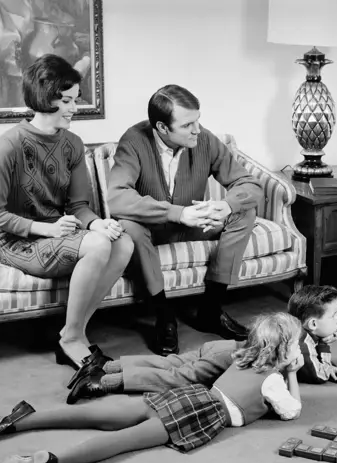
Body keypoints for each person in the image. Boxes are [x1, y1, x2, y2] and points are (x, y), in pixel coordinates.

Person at [0, 312, 304, 463]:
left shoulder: (242, 355)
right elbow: (291, 411)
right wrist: (291, 373)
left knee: (109, 416)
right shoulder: (273, 381)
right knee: (123, 440)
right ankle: (56, 461)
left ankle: (25, 418)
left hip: (186, 396)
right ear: (285, 351)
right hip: (196, 414)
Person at [0, 54, 134, 370]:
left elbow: (79, 206)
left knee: (123, 242)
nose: (74, 108)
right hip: (18, 242)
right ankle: (71, 342)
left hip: (63, 234)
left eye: (75, 100)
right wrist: (47, 229)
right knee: (97, 244)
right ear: (43, 98)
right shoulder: (9, 145)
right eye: (66, 101)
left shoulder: (73, 144)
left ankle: (72, 332)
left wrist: (97, 224)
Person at [106, 84, 263, 357]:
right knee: (128, 226)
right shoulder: (133, 141)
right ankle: (163, 316)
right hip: (153, 228)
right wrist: (177, 213)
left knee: (243, 211)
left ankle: (211, 310)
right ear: (162, 128)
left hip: (195, 226)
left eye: (198, 120)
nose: (197, 130)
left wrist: (226, 204)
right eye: (188, 124)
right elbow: (117, 198)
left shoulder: (204, 140)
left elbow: (248, 184)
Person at [65, 338, 238, 404]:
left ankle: (103, 366)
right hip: (233, 355)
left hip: (227, 345)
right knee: (178, 378)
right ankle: (103, 382)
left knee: (171, 363)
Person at [287, 285, 337, 385]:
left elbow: (314, 358)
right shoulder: (302, 343)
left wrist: (331, 367)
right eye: (333, 316)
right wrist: (324, 345)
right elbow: (320, 376)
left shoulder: (301, 330)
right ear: (313, 324)